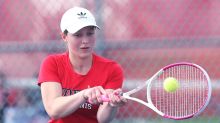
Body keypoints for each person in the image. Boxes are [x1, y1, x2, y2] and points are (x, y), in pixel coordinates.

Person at [38, 6, 126, 123]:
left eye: (90, 33)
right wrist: (84, 95)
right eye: (78, 35)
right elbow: (53, 110)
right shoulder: (52, 63)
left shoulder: (112, 69)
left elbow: (102, 118)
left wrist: (112, 104)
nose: (85, 40)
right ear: (64, 37)